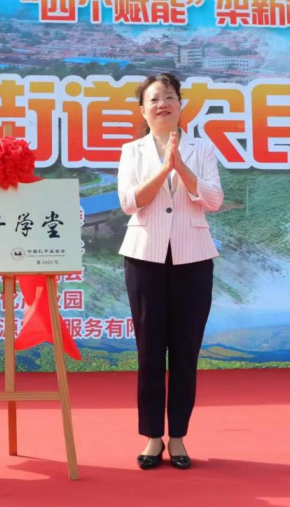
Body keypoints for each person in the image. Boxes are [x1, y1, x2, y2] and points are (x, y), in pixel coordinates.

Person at [117, 73, 224, 470]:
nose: (162, 104)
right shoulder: (132, 151)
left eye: (169, 97)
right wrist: (164, 169)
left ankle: (177, 436)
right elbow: (129, 202)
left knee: (184, 351)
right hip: (144, 258)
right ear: (143, 110)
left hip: (193, 259)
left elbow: (213, 200)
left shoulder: (202, 148)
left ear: (181, 105)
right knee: (149, 352)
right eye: (154, 99)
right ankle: (152, 437)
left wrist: (182, 166)